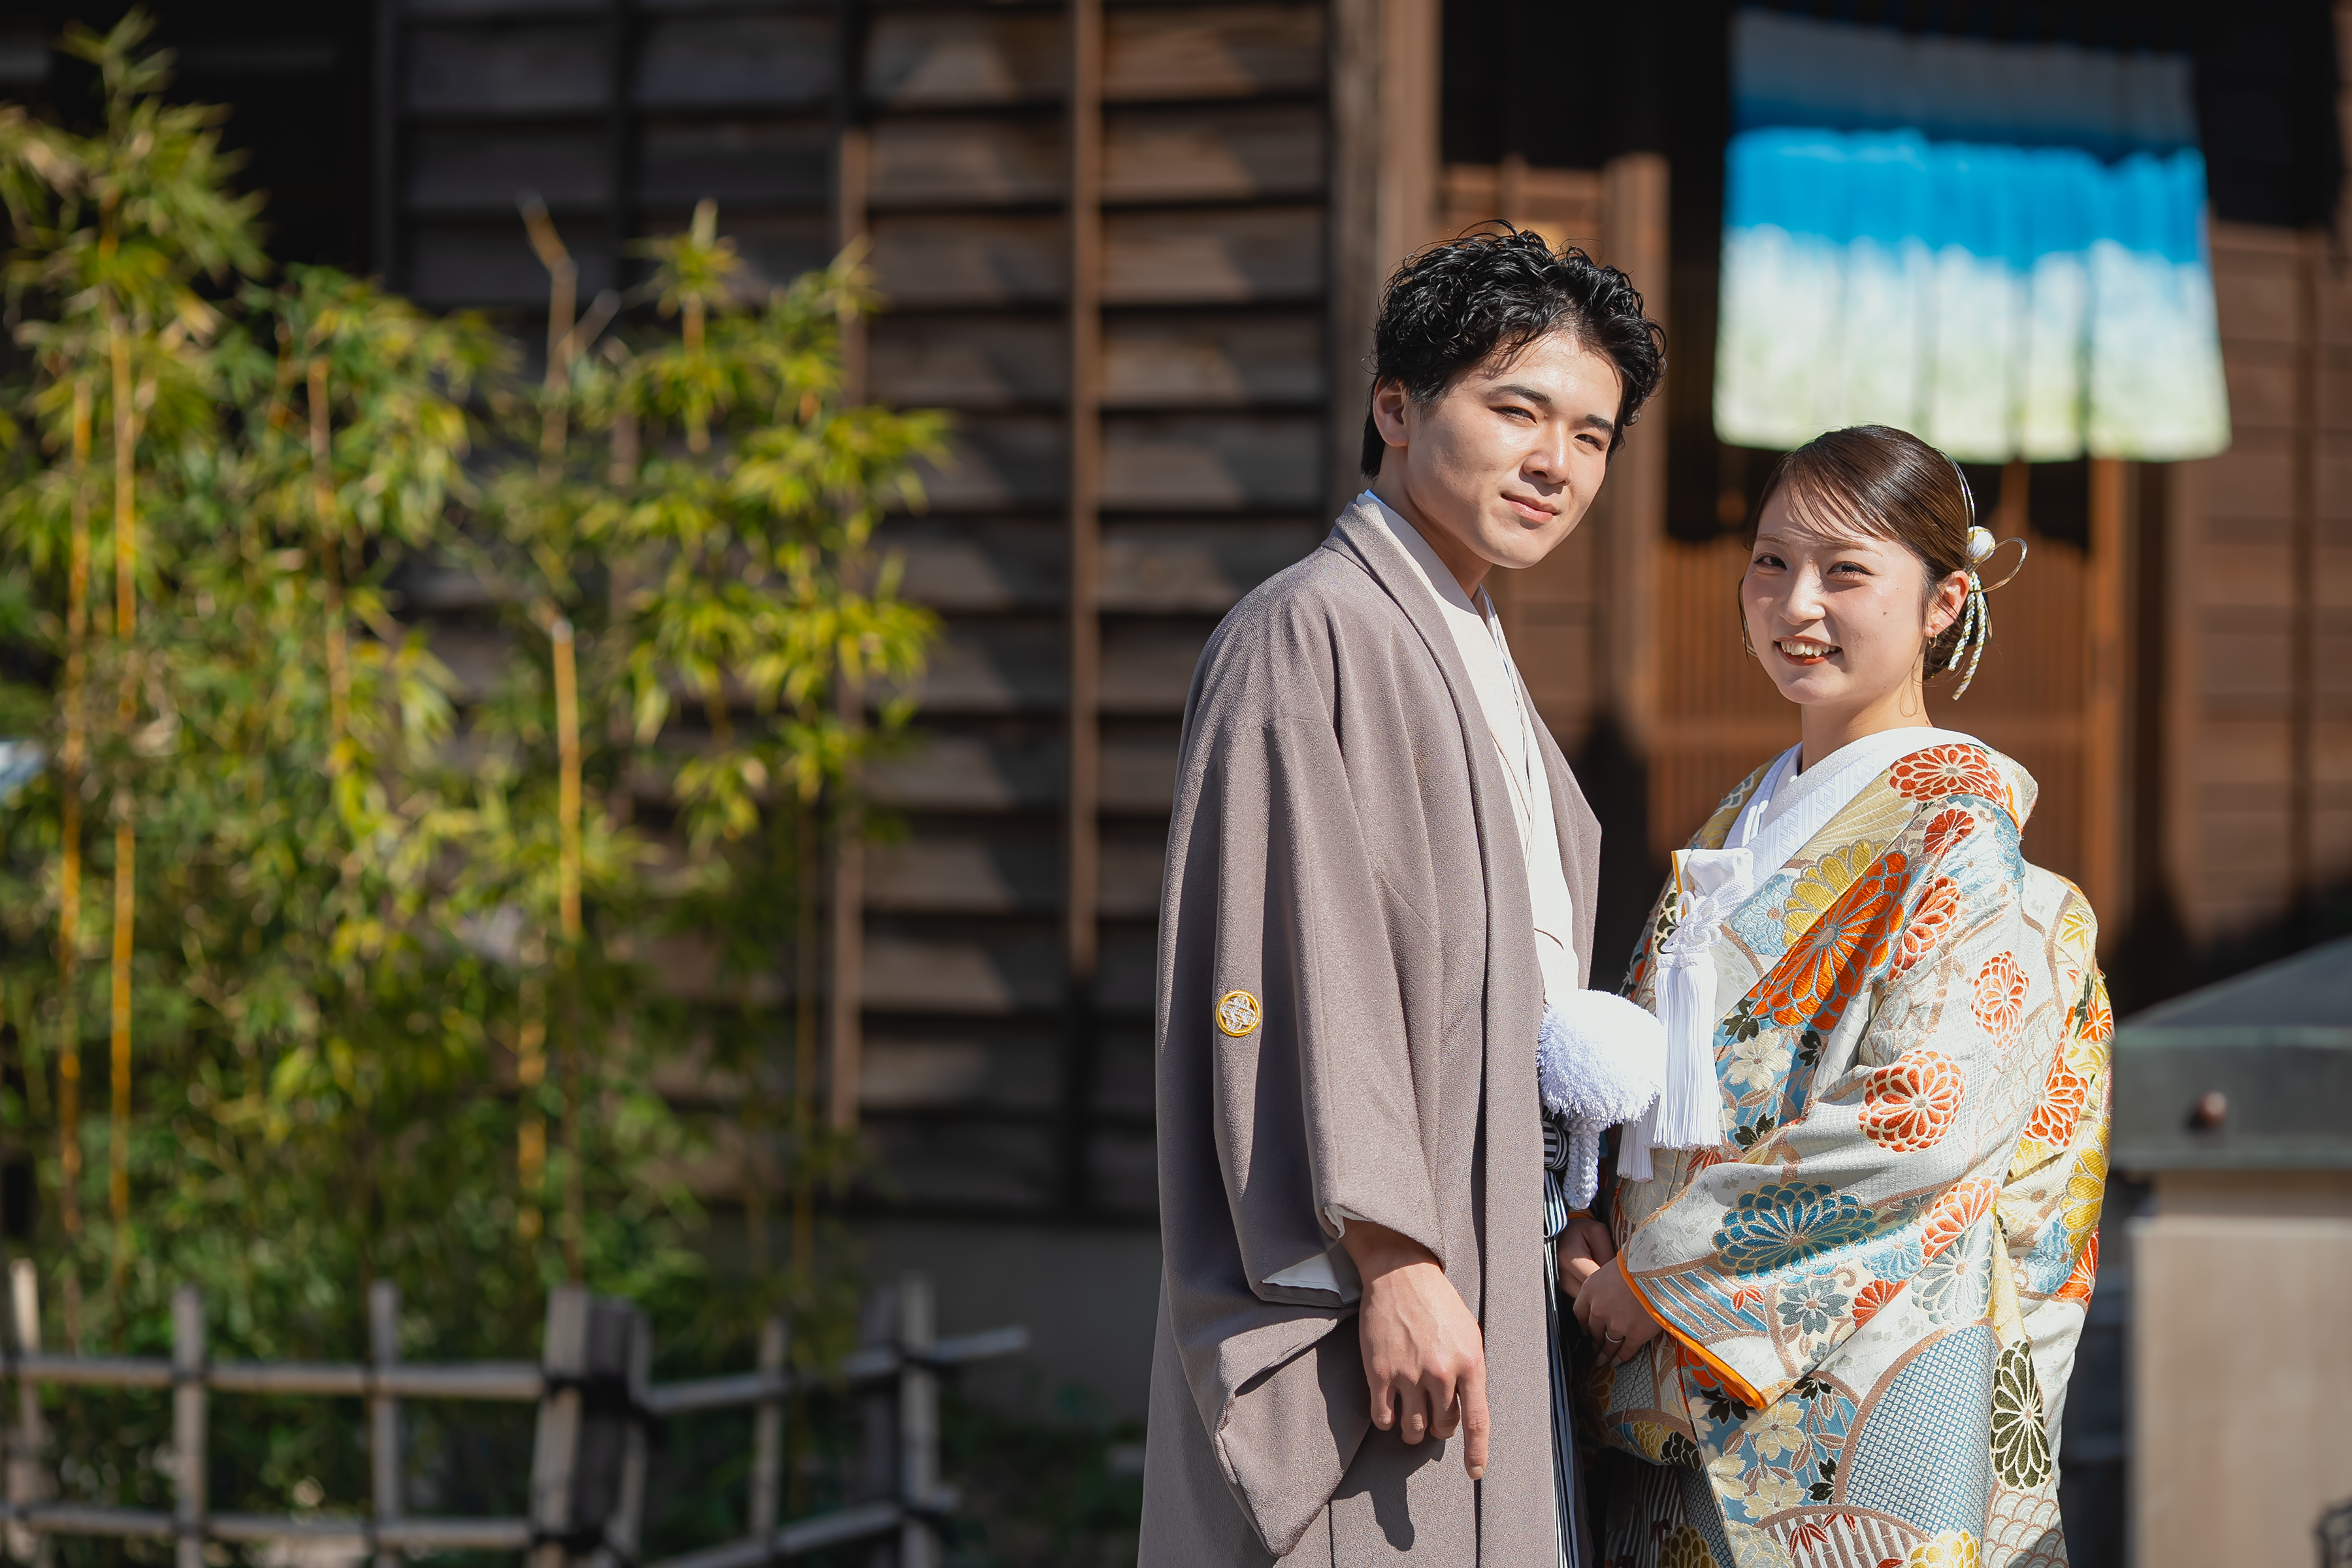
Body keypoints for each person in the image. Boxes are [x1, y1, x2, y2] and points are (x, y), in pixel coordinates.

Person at [1138, 227, 1666, 1565]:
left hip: (1496, 1243)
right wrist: (1389, 1255)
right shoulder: (1309, 631)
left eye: (1593, 437)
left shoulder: (1465, 638)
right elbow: (1286, 961)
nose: (1556, 463)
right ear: (1396, 408)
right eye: (1516, 409)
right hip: (1392, 1274)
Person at [1566, 426, 2113, 1568]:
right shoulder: (1738, 829)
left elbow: (1921, 1118)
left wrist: (1661, 1276)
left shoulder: (1960, 842)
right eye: (1770, 562)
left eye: (1846, 571)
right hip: (1661, 1375)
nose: (1794, 602)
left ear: (1942, 603)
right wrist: (1583, 1223)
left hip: (1849, 1401)